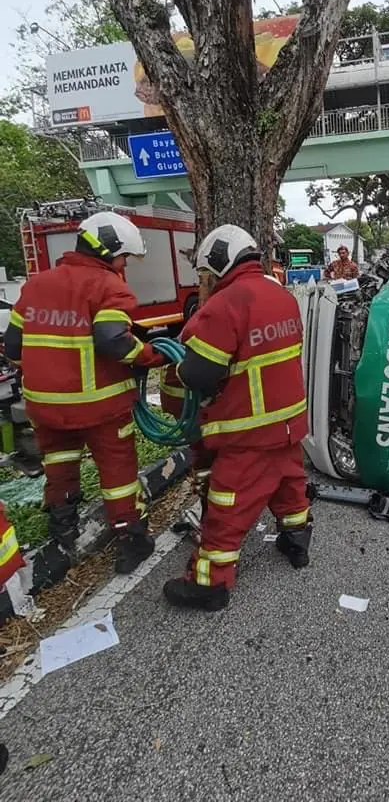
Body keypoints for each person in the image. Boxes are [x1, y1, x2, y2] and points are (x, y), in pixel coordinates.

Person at [4, 212, 166, 574]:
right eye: (124, 257)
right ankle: (132, 540)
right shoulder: (109, 287)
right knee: (117, 472)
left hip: (45, 407)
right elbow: (113, 341)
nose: (125, 265)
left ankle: (63, 530)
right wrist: (151, 356)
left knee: (59, 465)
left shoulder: (36, 285)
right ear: (109, 252)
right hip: (100, 407)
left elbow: (13, 346)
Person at [162, 224, 311, 611]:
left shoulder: (227, 304)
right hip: (289, 423)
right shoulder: (281, 294)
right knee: (288, 481)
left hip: (249, 431)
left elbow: (199, 374)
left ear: (217, 264)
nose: (205, 282)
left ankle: (209, 584)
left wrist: (174, 369)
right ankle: (297, 539)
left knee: (227, 503)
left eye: (205, 275)